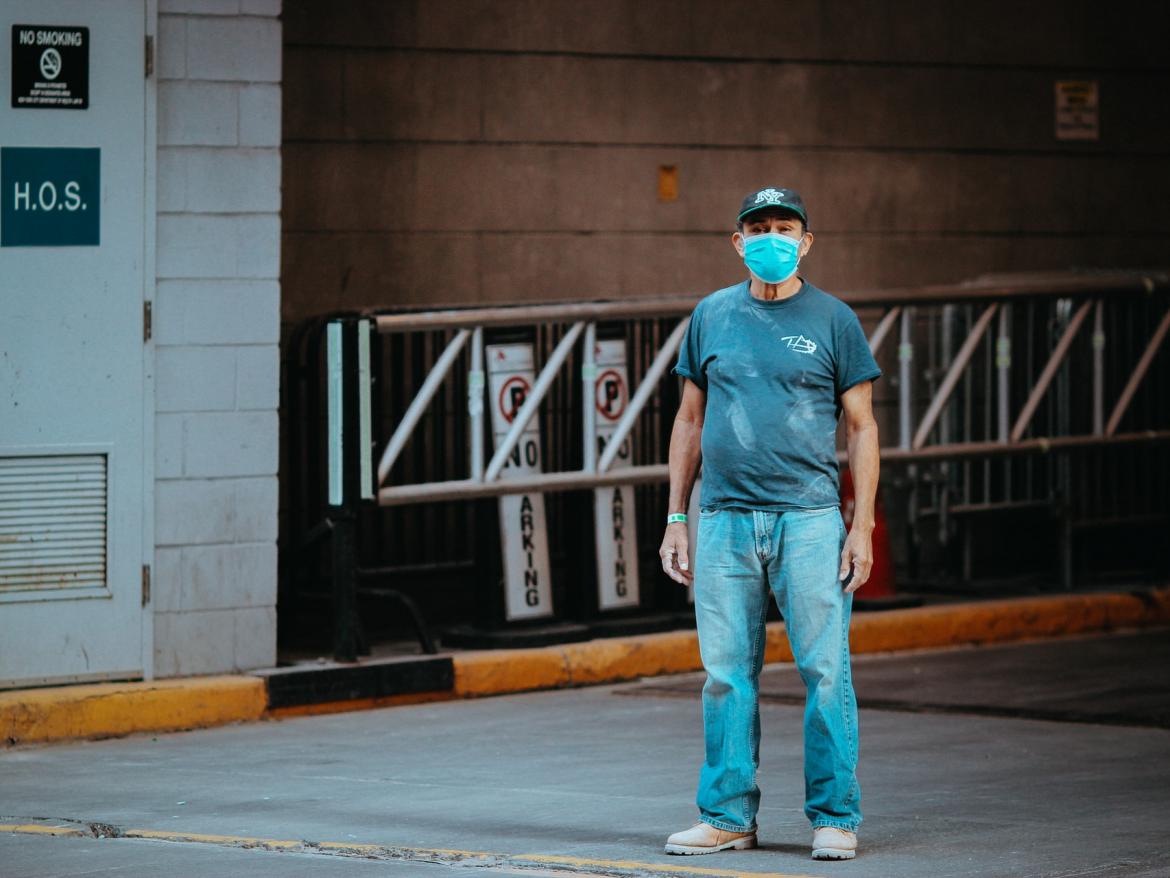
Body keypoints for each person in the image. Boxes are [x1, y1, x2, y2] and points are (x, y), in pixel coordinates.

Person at [660, 186, 881, 862]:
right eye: (758, 228)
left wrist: (861, 524)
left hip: (810, 520)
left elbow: (864, 428)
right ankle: (728, 817)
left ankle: (835, 816)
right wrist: (677, 515)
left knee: (825, 671)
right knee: (726, 674)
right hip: (725, 518)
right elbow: (689, 421)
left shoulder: (835, 320)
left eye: (784, 227)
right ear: (737, 242)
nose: (771, 238)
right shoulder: (711, 316)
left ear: (807, 241)